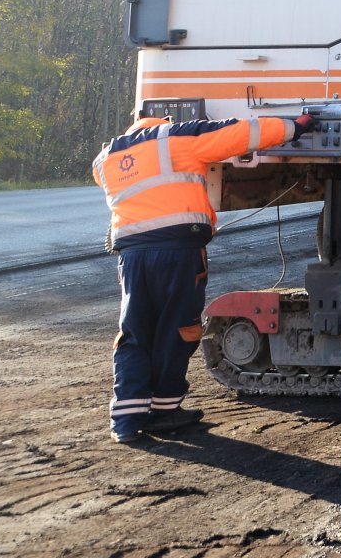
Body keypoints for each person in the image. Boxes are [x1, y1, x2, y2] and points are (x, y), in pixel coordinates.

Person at [92, 109, 317, 444]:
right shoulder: (178, 138)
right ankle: (164, 410)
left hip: (132, 256)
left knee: (135, 331)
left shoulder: (106, 158)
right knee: (179, 328)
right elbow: (240, 133)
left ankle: (125, 421)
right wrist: (293, 127)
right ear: (163, 122)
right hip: (179, 252)